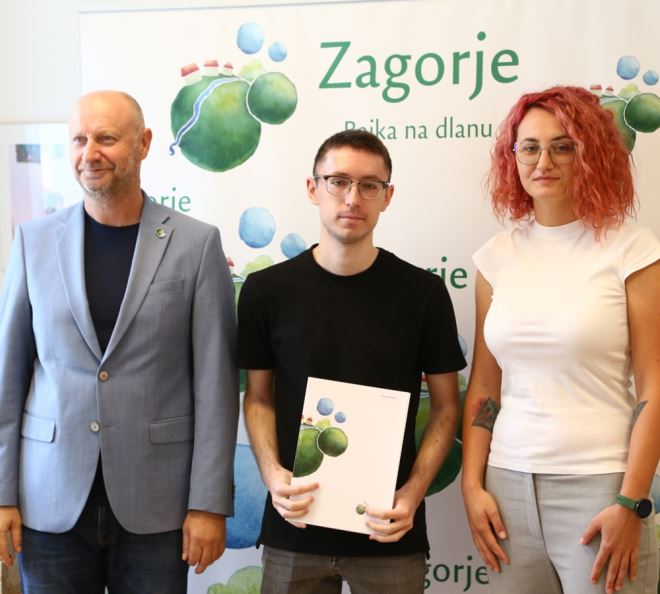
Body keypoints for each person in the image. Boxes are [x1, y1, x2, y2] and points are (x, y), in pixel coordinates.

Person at [0, 90, 239, 593]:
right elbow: (8, 378)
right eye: (79, 140)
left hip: (159, 505)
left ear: (144, 143)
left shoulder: (196, 244)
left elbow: (215, 386)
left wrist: (208, 502)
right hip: (50, 500)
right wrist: (2, 494)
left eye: (106, 139)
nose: (90, 153)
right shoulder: (32, 241)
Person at [237, 129, 466, 593]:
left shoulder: (423, 294)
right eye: (338, 181)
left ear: (387, 196)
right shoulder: (266, 292)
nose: (352, 198)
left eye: (369, 185)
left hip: (388, 529)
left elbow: (446, 406)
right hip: (294, 526)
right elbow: (258, 397)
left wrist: (412, 494)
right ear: (313, 188)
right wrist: (273, 474)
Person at [462, 85, 660, 594]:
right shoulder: (495, 257)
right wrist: (471, 484)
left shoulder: (633, 250)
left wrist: (631, 502)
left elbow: (654, 387)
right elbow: (484, 386)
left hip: (602, 487)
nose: (543, 161)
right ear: (513, 158)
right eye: (529, 147)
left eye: (562, 146)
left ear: (590, 153)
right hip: (506, 489)